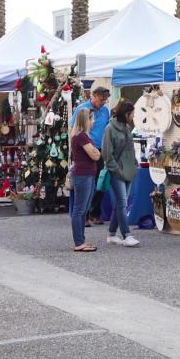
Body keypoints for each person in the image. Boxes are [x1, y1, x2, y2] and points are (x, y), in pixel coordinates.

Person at [70, 86, 111, 225]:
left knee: (101, 182)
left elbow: (106, 130)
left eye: (105, 100)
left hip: (99, 149)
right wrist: (73, 150)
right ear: (93, 96)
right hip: (84, 149)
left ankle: (95, 212)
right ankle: (85, 215)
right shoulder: (82, 109)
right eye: (101, 99)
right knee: (87, 183)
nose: (103, 102)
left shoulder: (105, 111)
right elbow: (73, 128)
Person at [102, 100, 140, 247]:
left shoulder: (127, 127)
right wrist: (116, 170)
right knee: (122, 204)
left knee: (120, 204)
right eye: (132, 113)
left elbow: (130, 148)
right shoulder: (109, 129)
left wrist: (135, 163)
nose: (134, 116)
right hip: (117, 171)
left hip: (129, 170)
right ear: (126, 113)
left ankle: (111, 234)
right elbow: (107, 153)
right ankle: (127, 235)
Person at [70, 108, 101, 252]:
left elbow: (96, 154)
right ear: (86, 120)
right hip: (83, 175)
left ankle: (81, 240)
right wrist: (96, 152)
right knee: (79, 209)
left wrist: (96, 152)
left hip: (87, 174)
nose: (93, 121)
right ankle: (78, 242)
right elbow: (95, 155)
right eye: (91, 118)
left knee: (83, 209)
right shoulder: (81, 136)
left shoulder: (84, 136)